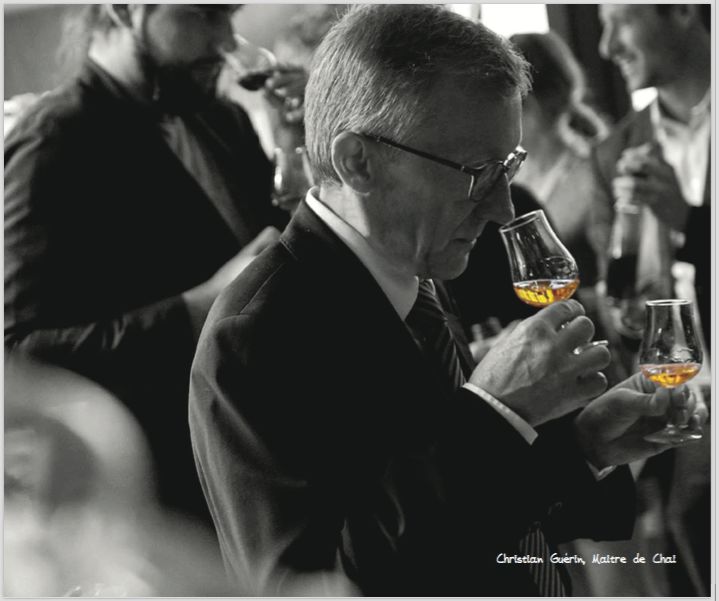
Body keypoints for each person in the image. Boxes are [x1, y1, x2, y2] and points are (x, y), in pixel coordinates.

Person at [189, 5, 707, 596]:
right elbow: (319, 582)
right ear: (358, 161)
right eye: (476, 172)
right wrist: (494, 412)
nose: (504, 209)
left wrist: (584, 447)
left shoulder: (421, 269)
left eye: (509, 166)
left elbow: (467, 520)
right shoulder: (254, 333)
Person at [4, 4, 305, 524]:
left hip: (260, 458)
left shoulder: (223, 118)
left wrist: (293, 146)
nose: (225, 40)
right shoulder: (52, 141)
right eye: (203, 16)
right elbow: (22, 351)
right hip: (166, 490)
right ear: (124, 9)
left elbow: (273, 248)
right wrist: (195, 310)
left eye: (228, 16)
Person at [583, 5, 711, 595]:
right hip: (684, 398)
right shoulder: (613, 153)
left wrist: (692, 223)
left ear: (682, 9)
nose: (606, 45)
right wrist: (623, 314)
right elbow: (621, 302)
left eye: (619, 20)